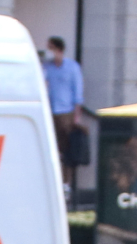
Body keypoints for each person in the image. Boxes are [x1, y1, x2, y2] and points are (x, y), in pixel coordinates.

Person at [42, 37, 89, 188]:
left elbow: (78, 92)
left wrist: (76, 116)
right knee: (53, 147)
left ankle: (65, 183)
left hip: (66, 112)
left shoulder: (71, 67)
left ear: (58, 49)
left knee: (67, 149)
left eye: (51, 48)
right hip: (51, 111)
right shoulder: (47, 67)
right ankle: (53, 181)